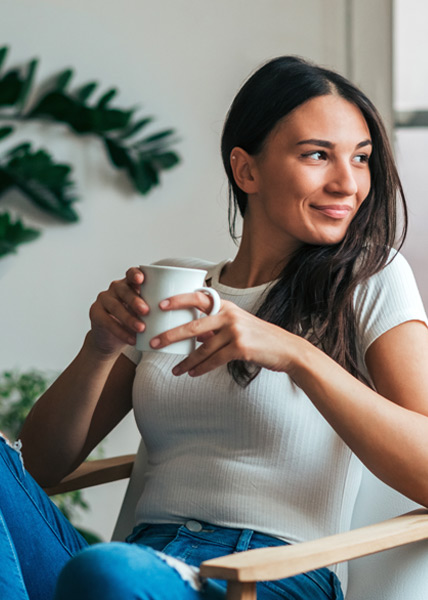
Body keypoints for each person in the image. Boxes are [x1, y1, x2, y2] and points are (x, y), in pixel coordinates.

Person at [1, 55, 428, 600]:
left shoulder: (370, 278)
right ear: (246, 170)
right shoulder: (175, 286)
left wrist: (295, 352)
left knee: (108, 574)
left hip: (269, 574)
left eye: (361, 158)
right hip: (144, 563)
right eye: (318, 155)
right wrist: (100, 347)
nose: (348, 182)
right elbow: (36, 465)